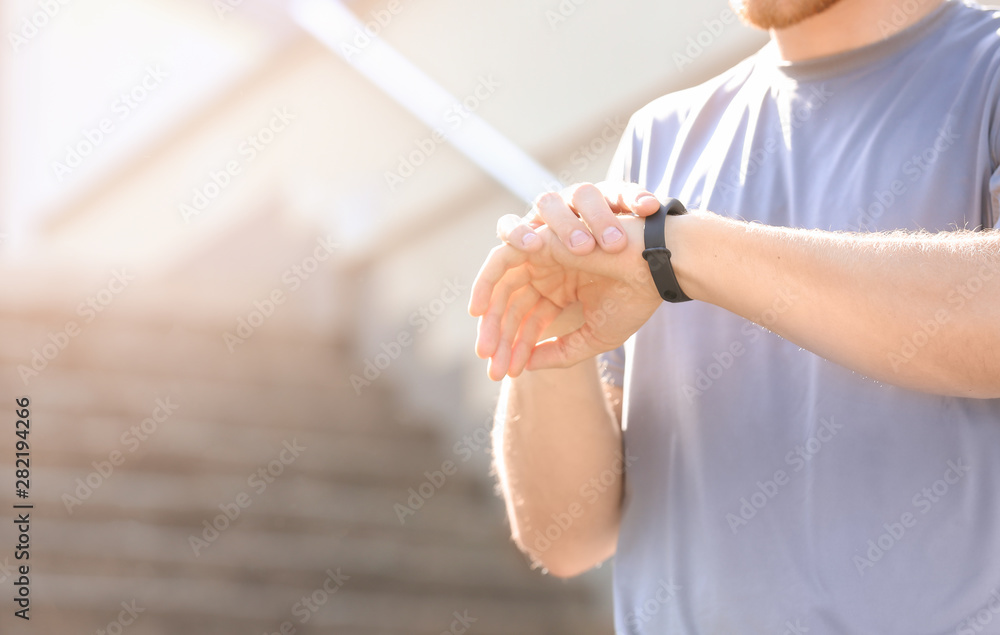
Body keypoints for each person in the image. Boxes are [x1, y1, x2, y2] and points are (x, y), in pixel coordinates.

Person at [469, 0, 1000, 632]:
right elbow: (567, 540)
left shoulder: (985, 72)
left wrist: (679, 249)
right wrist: (555, 337)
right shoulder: (658, 138)